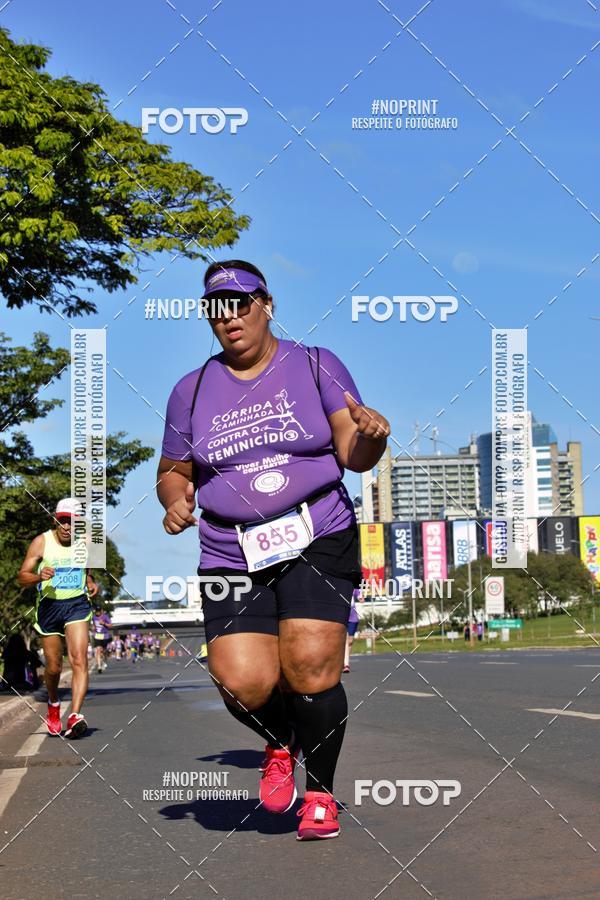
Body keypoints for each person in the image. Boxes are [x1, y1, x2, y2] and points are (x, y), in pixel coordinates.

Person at [157, 259, 389, 841]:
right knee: (242, 682)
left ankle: (320, 795)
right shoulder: (191, 390)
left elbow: (350, 453)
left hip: (318, 532)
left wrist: (369, 439)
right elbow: (172, 470)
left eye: (240, 303)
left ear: (266, 305)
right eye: (216, 307)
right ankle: (280, 740)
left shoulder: (314, 365)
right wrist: (175, 498)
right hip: (229, 548)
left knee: (310, 670)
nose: (228, 317)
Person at [17, 498, 98, 738]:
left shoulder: (87, 542)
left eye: (72, 522)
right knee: (53, 667)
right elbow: (22, 576)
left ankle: (75, 715)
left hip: (77, 605)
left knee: (79, 660)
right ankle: (53, 704)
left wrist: (91, 580)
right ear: (55, 519)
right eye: (62, 521)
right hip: (49, 607)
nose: (66, 527)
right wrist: (39, 576)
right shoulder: (41, 542)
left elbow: (86, 569)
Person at [343, 588, 361, 673]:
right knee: (346, 640)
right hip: (343, 615)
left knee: (350, 641)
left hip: (353, 617)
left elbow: (361, 597)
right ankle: (345, 664)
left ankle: (345, 661)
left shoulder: (355, 588)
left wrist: (361, 598)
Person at [91, 606, 112, 673]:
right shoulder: (93, 617)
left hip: (104, 636)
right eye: (96, 611)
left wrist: (104, 623)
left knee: (104, 651)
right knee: (98, 650)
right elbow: (94, 625)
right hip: (97, 635)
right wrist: (93, 628)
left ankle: (104, 661)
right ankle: (99, 667)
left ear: (101, 611)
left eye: (99, 611)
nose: (97, 613)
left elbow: (111, 625)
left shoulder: (105, 617)